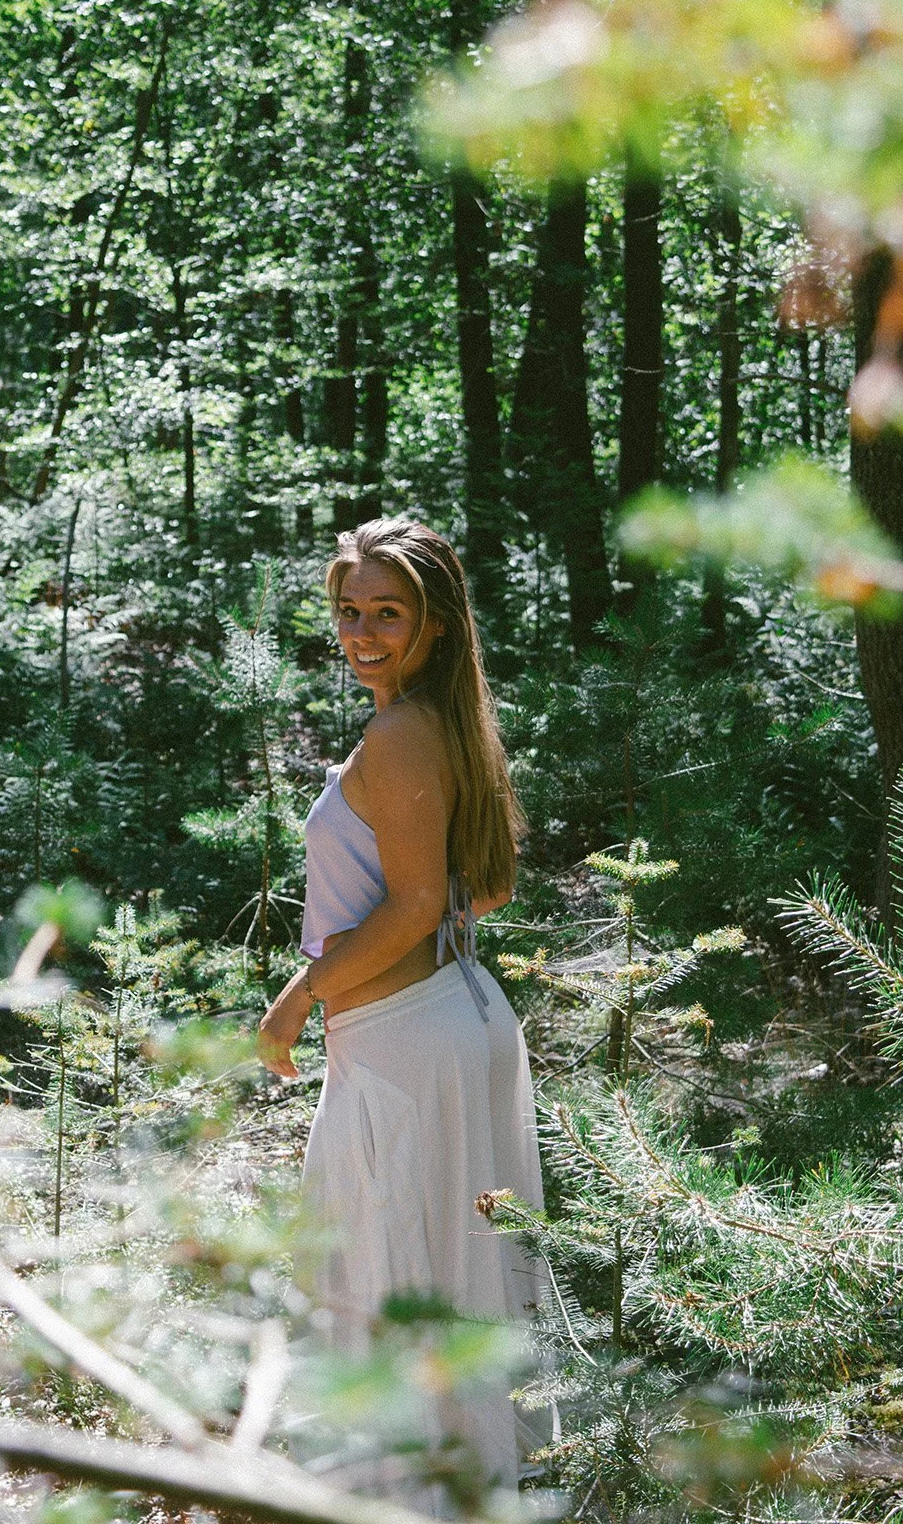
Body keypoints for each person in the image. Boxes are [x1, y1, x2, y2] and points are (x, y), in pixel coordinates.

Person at [257, 518, 544, 1493]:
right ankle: (453, 1488)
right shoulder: (443, 723)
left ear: (435, 625)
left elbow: (419, 902)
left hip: (407, 1041)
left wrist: (298, 995)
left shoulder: (400, 731)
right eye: (350, 612)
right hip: (450, 1020)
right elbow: (483, 888)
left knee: (391, 1281)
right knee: (443, 1277)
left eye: (390, 613)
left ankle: (409, 1498)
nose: (364, 632)